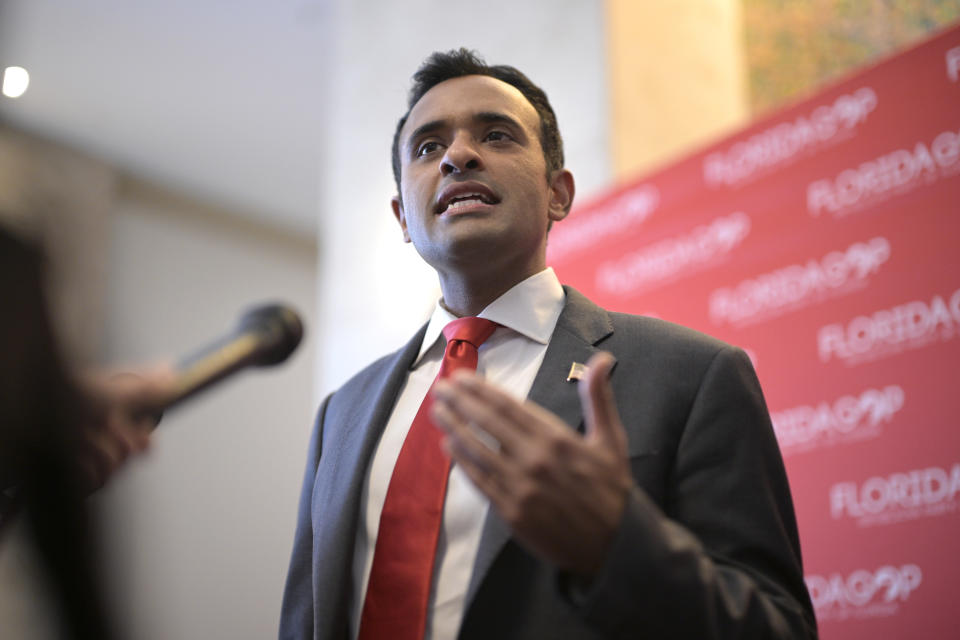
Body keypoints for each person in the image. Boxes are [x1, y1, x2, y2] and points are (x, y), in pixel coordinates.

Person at [280, 49, 817, 640]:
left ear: (558, 194)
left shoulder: (694, 375)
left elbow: (778, 627)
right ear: (403, 219)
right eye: (428, 147)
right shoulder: (342, 414)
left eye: (497, 135)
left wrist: (618, 547)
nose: (458, 155)